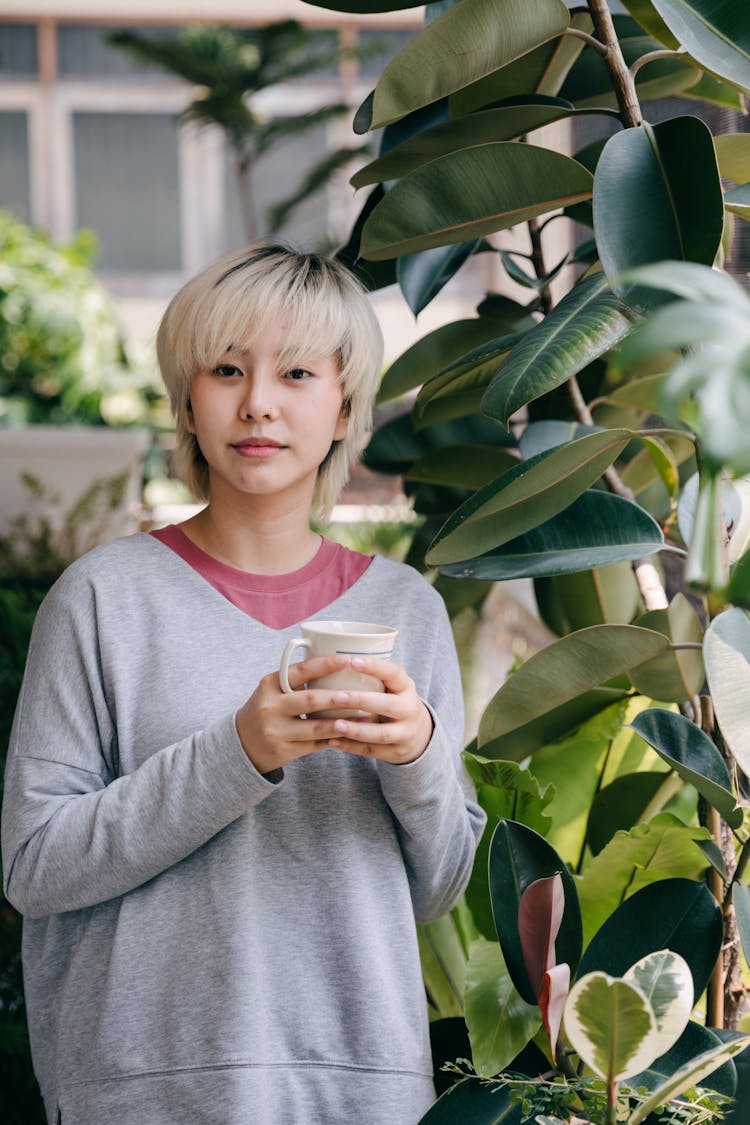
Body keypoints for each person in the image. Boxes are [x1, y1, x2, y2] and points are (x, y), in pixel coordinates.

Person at [2, 241, 486, 1125]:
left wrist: (417, 754)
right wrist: (237, 753)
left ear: (344, 406)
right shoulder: (103, 599)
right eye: (227, 369)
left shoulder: (406, 611)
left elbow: (441, 886)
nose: (258, 402)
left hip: (359, 1089)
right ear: (188, 398)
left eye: (296, 372)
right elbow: (35, 865)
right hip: (145, 1092)